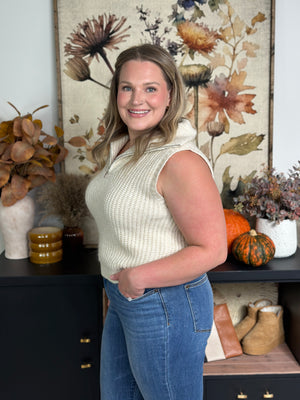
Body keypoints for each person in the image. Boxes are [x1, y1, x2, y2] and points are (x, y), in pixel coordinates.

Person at [85, 43, 227, 400]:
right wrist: (119, 283)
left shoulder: (179, 160)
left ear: (169, 96)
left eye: (150, 88)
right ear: (116, 92)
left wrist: (137, 276)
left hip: (165, 303)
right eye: (127, 87)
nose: (137, 99)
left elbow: (213, 249)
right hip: (124, 298)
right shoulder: (125, 147)